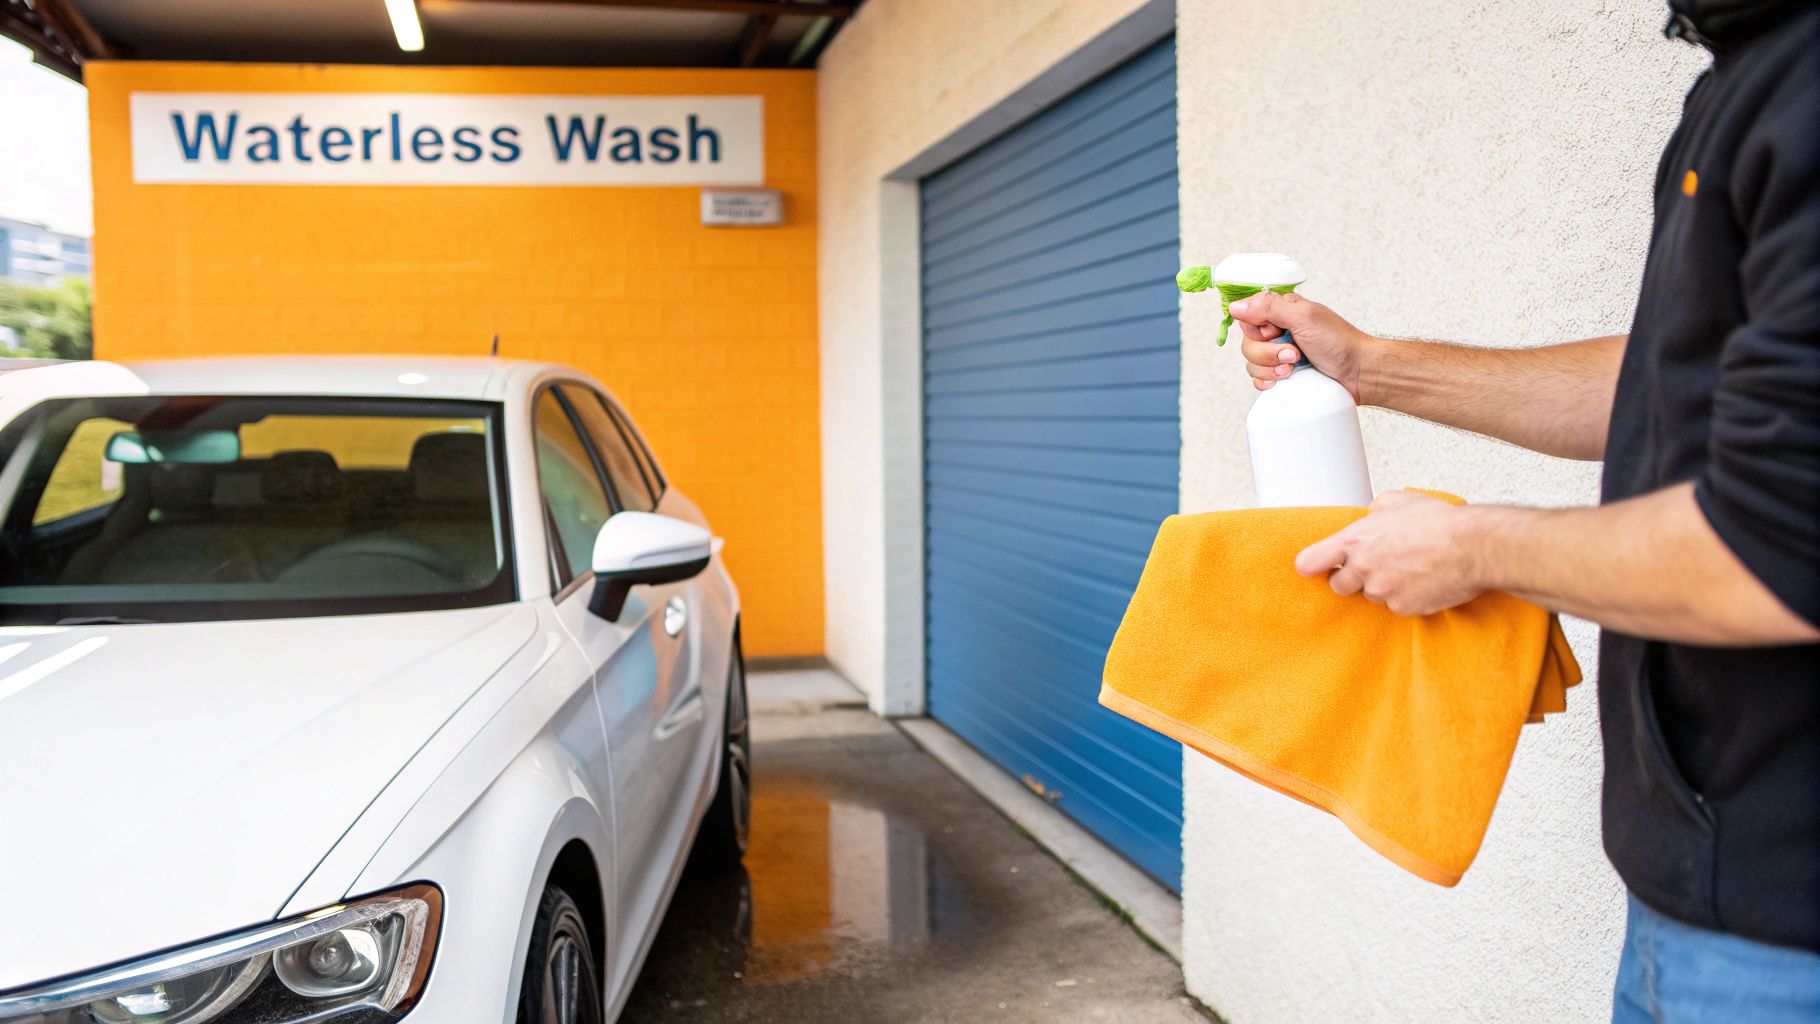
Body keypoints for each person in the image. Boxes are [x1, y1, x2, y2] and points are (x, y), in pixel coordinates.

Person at [1226, 2, 1819, 1020]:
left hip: (1785, 925)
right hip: (1692, 884)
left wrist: (1470, 546)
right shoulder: (1741, 71)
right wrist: (1371, 367)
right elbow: (1659, 385)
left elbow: (1774, 550)